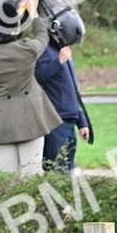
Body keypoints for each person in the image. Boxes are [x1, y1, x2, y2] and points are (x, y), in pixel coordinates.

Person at [0, 0, 62, 176]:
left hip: (3, 122)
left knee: (7, 180)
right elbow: (43, 36)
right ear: (15, 26)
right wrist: (33, 12)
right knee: (31, 176)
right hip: (30, 119)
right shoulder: (28, 49)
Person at [35, 33, 94, 173]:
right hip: (55, 121)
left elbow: (71, 89)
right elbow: (37, 76)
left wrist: (82, 121)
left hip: (69, 121)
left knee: (68, 169)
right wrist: (58, 62)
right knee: (56, 170)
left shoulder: (62, 50)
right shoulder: (44, 50)